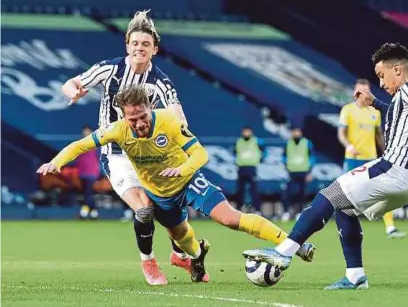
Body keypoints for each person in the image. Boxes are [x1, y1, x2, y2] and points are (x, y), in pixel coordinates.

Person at [243, 43, 408, 289]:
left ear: (398, 70)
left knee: (328, 195)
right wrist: (375, 103)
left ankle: (284, 252)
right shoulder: (407, 96)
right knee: (345, 209)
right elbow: (401, 115)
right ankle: (355, 276)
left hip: (394, 170)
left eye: (382, 75)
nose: (380, 83)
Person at [38, 86, 316, 282]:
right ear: (123, 116)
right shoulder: (118, 130)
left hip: (188, 181)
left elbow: (200, 153)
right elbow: (81, 144)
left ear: (150, 108)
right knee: (186, 241)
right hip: (160, 196)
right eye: (132, 119)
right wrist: (57, 162)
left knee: (230, 219)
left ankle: (294, 245)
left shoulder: (169, 120)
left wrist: (182, 168)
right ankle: (197, 257)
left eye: (143, 117)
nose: (139, 124)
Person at [61, 10, 190, 285]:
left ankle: (179, 253)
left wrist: (184, 137)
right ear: (127, 45)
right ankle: (149, 264)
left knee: (171, 212)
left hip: (152, 156)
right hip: (117, 154)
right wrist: (72, 91)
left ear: (154, 49)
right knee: (144, 209)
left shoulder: (161, 81)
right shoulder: (109, 69)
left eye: (145, 44)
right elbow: (71, 83)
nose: (139, 48)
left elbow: (177, 113)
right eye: (135, 43)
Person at [339, 79, 407, 239]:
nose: (362, 94)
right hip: (352, 159)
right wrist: (348, 146)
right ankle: (346, 229)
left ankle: (390, 227)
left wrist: (386, 152)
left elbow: (378, 135)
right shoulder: (347, 110)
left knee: (384, 191)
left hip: (371, 159)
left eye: (365, 91)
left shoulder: (374, 112)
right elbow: (341, 133)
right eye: (360, 91)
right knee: (347, 195)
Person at [281, 127, 315, 221]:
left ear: (301, 132)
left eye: (297, 131)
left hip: (303, 171)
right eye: (294, 132)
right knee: (289, 192)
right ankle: (287, 212)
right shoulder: (288, 143)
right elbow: (283, 157)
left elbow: (312, 157)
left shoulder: (307, 143)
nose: (296, 133)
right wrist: (286, 166)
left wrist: (309, 172)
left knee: (301, 193)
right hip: (291, 172)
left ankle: (299, 212)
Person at [234, 127, 265, 214]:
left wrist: (261, 159)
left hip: (252, 168)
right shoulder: (238, 141)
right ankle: (239, 209)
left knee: (254, 190)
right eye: (245, 132)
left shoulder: (257, 141)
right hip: (241, 168)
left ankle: (257, 209)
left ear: (251, 132)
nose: (246, 133)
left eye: (248, 132)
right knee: (240, 190)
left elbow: (265, 151)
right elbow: (234, 152)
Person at [77, 125, 101, 220]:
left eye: (87, 131)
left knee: (88, 193)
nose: (85, 133)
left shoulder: (96, 144)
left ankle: (86, 213)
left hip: (91, 173)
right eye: (84, 131)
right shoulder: (80, 144)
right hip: (82, 173)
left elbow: (100, 158)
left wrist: (98, 172)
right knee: (85, 194)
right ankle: (93, 213)